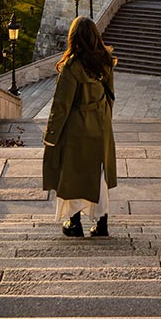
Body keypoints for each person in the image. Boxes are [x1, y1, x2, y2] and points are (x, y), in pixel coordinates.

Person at [42, 17, 116, 237]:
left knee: (71, 174)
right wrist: (104, 119)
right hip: (100, 125)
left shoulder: (72, 67)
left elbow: (61, 104)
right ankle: (102, 224)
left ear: (73, 38)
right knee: (99, 175)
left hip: (76, 129)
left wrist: (51, 135)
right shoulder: (105, 61)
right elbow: (110, 95)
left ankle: (74, 224)